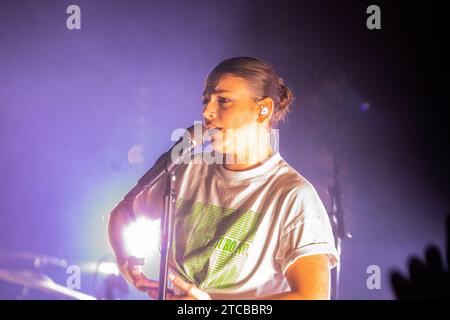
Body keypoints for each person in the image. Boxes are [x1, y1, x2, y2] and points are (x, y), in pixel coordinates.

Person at [108, 57, 339, 300]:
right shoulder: (185, 170)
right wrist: (130, 269)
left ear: (264, 109)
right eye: (206, 100)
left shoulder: (293, 195)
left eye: (223, 100)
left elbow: (312, 297)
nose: (207, 111)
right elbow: (123, 213)